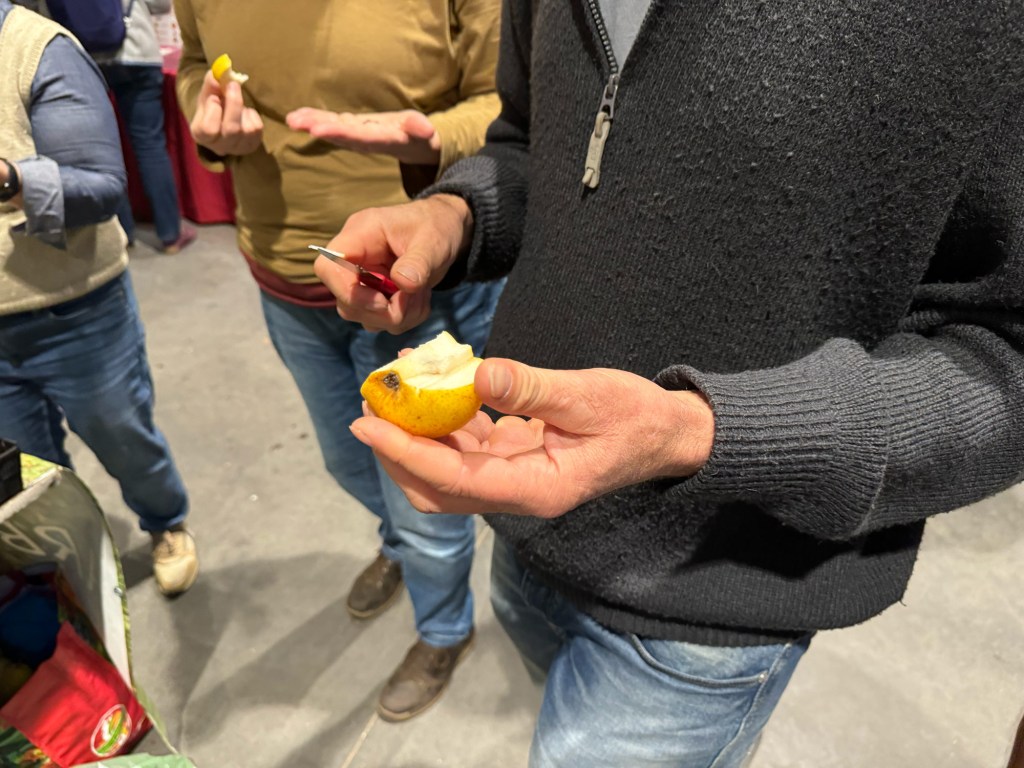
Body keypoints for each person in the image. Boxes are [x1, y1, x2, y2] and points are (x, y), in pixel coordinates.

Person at [316, 0, 1024, 765]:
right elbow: (535, 140)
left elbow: (1005, 352)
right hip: (525, 515)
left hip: (717, 593)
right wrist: (459, 214)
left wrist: (698, 431)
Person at [172, 0, 503, 721]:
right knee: (344, 459)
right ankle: (395, 545)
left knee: (427, 500)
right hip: (283, 273)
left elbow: (506, 107)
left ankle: (443, 628)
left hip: (418, 284)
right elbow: (196, 66)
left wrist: (431, 135)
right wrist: (209, 117)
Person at [0, 1, 198, 596]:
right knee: (29, 467)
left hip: (75, 311)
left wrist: (11, 180)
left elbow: (103, 185)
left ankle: (167, 524)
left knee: (125, 440)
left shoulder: (36, 48)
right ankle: (60, 564)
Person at [97, 0, 196, 253]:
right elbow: (161, 4)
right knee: (149, 144)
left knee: (103, 149)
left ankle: (122, 233)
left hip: (85, 55)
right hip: (136, 50)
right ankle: (170, 234)